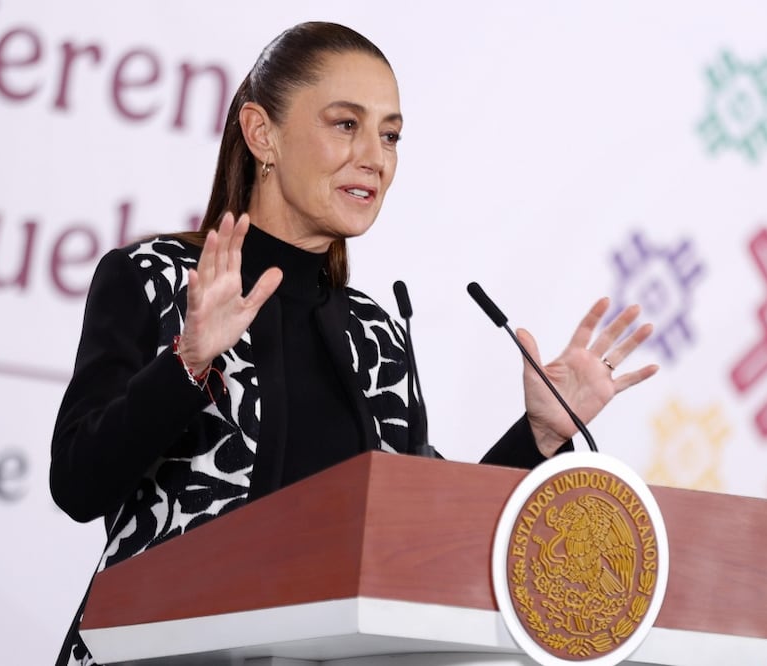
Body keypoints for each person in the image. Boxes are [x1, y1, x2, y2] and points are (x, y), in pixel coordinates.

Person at [49, 21, 658, 666]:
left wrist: (537, 435)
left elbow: (421, 540)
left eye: (390, 135)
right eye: (346, 125)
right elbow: (78, 486)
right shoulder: (160, 279)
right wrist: (188, 362)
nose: (376, 157)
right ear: (263, 135)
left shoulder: (376, 334)